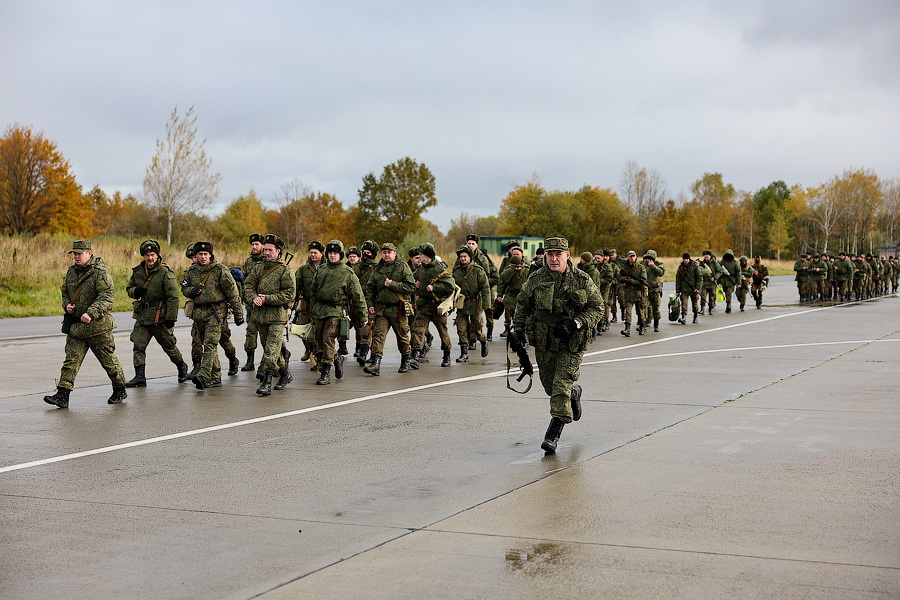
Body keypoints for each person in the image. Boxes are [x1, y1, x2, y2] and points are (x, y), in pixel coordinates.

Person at [512, 236, 603, 453]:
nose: (553, 259)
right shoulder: (536, 279)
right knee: (550, 387)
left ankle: (552, 434)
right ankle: (574, 393)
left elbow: (598, 308)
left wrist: (576, 323)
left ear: (567, 256)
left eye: (558, 255)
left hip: (572, 343)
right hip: (545, 341)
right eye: (550, 255)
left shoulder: (581, 279)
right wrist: (518, 335)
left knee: (560, 385)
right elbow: (522, 306)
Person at [44, 240, 128, 408]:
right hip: (77, 328)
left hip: (97, 327)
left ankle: (120, 389)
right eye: (74, 253)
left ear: (89, 253)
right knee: (70, 361)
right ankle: (63, 394)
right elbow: (65, 293)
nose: (76, 256)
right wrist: (67, 305)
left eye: (79, 253)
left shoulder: (100, 273)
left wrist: (91, 312)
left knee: (108, 361)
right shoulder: (71, 273)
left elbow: (107, 297)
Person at [124, 239, 188, 388]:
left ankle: (181, 367)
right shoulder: (138, 271)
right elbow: (129, 289)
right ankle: (140, 376)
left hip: (160, 316)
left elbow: (173, 296)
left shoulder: (165, 272)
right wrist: (135, 291)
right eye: (147, 255)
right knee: (138, 345)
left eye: (152, 254)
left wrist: (171, 318)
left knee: (169, 346)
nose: (150, 258)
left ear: (157, 255)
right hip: (143, 316)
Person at [181, 241, 244, 389]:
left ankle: (203, 375)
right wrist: (192, 291)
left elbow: (232, 293)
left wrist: (238, 313)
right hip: (198, 313)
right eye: (200, 254)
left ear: (210, 255)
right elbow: (184, 288)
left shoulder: (220, 270)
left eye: (205, 254)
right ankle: (216, 377)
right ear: (195, 256)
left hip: (216, 312)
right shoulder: (191, 272)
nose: (203, 257)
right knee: (207, 344)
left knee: (210, 344)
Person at [243, 234, 296, 396]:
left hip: (277, 317)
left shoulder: (285, 271)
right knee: (272, 349)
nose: (266, 253)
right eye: (265, 249)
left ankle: (267, 382)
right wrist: (253, 298)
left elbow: (290, 294)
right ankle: (286, 375)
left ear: (278, 251)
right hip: (260, 317)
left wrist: (268, 299)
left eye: (270, 250)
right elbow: (248, 286)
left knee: (271, 350)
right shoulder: (258, 268)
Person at [309, 240, 367, 384]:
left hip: (336, 310)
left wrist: (363, 316)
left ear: (340, 255)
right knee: (318, 341)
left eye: (335, 253)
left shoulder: (348, 273)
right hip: (320, 310)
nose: (332, 256)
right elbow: (313, 291)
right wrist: (312, 310)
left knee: (328, 339)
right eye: (330, 253)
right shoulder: (321, 269)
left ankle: (326, 372)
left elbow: (358, 296)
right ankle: (336, 358)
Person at [363, 242, 416, 376]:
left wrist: (393, 284)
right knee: (377, 336)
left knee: (402, 336)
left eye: (389, 252)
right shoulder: (377, 269)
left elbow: (411, 287)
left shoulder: (402, 267)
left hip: (398, 310)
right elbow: (370, 289)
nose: (386, 255)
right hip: (381, 309)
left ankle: (405, 359)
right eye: (384, 252)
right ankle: (375, 363)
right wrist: (370, 304)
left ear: (395, 254)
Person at [410, 242, 455, 369]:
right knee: (418, 331)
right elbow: (411, 280)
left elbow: (449, 286)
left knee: (443, 331)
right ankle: (415, 357)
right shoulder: (420, 269)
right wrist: (415, 284)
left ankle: (447, 356)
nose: (419, 257)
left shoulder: (440, 269)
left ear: (428, 256)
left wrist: (435, 287)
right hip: (423, 305)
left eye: (421, 255)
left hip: (437, 306)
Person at [452, 244, 491, 362]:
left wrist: (486, 305)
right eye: (461, 257)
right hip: (462, 304)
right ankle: (464, 353)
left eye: (465, 256)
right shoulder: (457, 271)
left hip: (476, 304)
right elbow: (452, 288)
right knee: (461, 328)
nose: (463, 259)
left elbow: (485, 288)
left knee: (478, 328)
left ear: (470, 257)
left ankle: (483, 342)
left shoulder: (478, 271)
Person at [294, 241, 324, 369]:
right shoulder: (303, 269)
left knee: (318, 333)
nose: (312, 255)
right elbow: (295, 285)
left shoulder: (327, 268)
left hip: (321, 306)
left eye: (315, 253)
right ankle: (309, 350)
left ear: (322, 254)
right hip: (306, 306)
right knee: (302, 330)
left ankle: (318, 357)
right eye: (311, 252)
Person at [240, 233, 266, 372]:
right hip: (251, 304)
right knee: (250, 333)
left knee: (267, 335)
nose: (254, 247)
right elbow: (246, 283)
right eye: (253, 244)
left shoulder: (267, 260)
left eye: (257, 244)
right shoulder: (249, 262)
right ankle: (250, 361)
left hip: (265, 303)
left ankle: (281, 357)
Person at [352, 239, 379, 365]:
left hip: (371, 303)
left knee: (367, 329)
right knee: (360, 328)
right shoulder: (356, 267)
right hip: (357, 303)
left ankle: (363, 352)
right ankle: (363, 350)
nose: (365, 255)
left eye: (368, 252)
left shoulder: (378, 268)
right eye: (364, 252)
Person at [497, 249, 528, 338]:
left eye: (517, 254)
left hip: (523, 296)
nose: (515, 256)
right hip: (511, 296)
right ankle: (511, 331)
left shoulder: (526, 268)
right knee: (511, 315)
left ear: (522, 255)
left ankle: (523, 335)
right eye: (513, 254)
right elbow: (502, 281)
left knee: (522, 317)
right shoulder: (508, 268)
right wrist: (500, 294)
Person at [617, 250, 647, 337]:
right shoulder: (625, 267)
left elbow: (643, 281)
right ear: (627, 257)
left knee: (640, 311)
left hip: (638, 293)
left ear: (636, 257)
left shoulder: (641, 267)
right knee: (628, 312)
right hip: (628, 293)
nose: (632, 258)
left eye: (633, 256)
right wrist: (626, 279)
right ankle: (627, 329)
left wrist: (631, 281)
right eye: (630, 256)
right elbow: (619, 277)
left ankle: (642, 326)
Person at [641, 250, 665, 331]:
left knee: (656, 308)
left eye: (650, 258)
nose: (648, 260)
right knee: (644, 307)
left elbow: (661, 273)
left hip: (655, 289)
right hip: (645, 289)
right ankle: (643, 325)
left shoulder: (659, 264)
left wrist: (653, 266)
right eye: (647, 258)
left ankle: (656, 325)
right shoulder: (642, 264)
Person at [675, 253, 701, 324]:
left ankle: (695, 316)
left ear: (689, 259)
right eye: (684, 259)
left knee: (695, 304)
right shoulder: (680, 268)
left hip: (693, 289)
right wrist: (678, 291)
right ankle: (684, 318)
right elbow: (678, 280)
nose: (685, 260)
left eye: (687, 259)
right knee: (684, 304)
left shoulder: (694, 266)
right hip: (684, 289)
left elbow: (699, 277)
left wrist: (698, 288)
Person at [718, 249, 740, 313]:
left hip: (731, 280)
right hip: (723, 281)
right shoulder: (722, 262)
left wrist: (738, 282)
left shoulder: (735, 263)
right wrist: (718, 281)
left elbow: (738, 273)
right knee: (726, 292)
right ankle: (728, 303)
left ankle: (728, 305)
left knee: (729, 293)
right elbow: (719, 272)